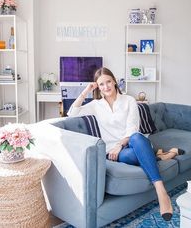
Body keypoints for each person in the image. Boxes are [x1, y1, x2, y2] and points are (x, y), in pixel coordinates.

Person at [67, 67, 173, 221]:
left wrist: (120, 144)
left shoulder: (129, 100)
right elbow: (72, 112)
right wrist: (86, 91)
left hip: (134, 142)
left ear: (114, 81)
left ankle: (161, 190)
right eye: (101, 84)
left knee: (136, 137)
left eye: (108, 82)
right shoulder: (96, 105)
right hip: (117, 152)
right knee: (132, 156)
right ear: (98, 87)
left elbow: (133, 128)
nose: (106, 87)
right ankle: (159, 155)